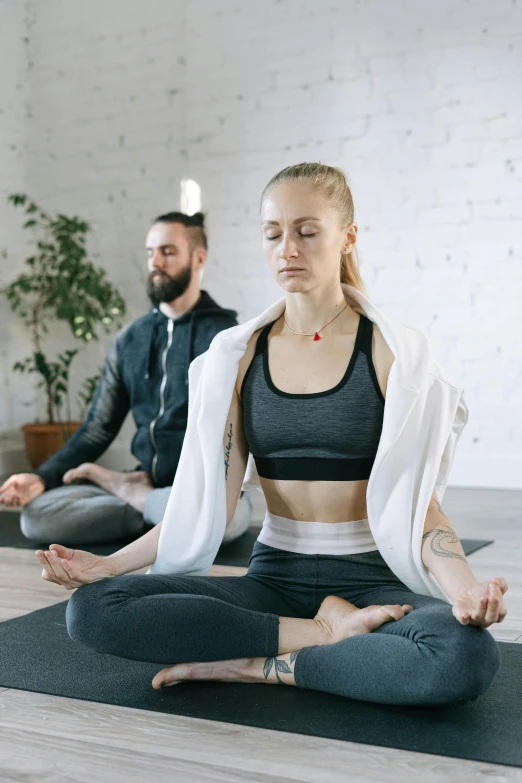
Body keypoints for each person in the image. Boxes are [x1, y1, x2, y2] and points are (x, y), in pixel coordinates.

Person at [35, 163, 507, 707]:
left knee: (464, 656)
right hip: (273, 581)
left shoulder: (390, 353)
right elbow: (203, 501)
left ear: (347, 237)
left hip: (374, 583)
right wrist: (109, 565)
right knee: (94, 609)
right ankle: (323, 636)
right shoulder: (237, 357)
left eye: (307, 232)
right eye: (273, 233)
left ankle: (259, 666)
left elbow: (421, 510)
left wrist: (465, 591)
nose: (289, 248)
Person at [0, 211, 253, 546]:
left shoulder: (226, 338)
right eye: (150, 253)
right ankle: (162, 514)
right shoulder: (129, 340)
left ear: (198, 258)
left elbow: (244, 431)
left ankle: (151, 507)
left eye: (167, 252)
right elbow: (97, 428)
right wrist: (41, 478)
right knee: (38, 519)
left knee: (230, 522)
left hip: (206, 488)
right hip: (145, 479)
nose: (155, 263)